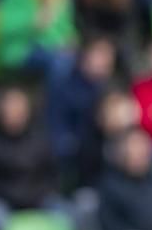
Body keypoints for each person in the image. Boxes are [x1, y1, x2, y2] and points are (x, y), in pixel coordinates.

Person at [0, 87, 59, 229]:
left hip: (39, 199)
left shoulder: (40, 140)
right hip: (4, 201)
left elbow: (52, 175)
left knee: (66, 214)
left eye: (20, 107)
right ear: (1, 111)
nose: (16, 112)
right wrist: (14, 196)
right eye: (11, 107)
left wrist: (37, 195)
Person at [44, 36, 117, 185]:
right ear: (85, 57)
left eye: (107, 59)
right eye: (98, 56)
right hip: (69, 149)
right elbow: (57, 124)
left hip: (96, 154)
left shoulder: (108, 89)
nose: (102, 63)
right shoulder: (64, 85)